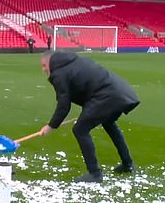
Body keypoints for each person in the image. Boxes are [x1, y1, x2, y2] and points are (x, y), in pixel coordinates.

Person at [38, 51, 140, 183]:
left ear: (50, 62)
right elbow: (87, 87)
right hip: (119, 93)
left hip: (107, 96)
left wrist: (51, 126)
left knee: (80, 129)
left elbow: (64, 105)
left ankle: (95, 174)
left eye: (44, 65)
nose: (43, 69)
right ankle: (128, 164)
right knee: (109, 123)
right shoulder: (76, 62)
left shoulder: (59, 74)